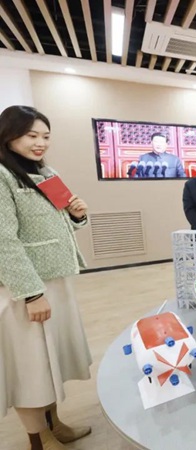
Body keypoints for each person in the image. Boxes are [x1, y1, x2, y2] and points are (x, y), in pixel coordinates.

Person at [0, 105, 92, 450]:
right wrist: (31, 293)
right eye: (31, 135)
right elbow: (3, 241)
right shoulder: (2, 176)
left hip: (56, 280)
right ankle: (38, 440)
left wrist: (77, 216)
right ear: (9, 135)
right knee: (31, 368)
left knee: (51, 361)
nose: (40, 143)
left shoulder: (46, 172)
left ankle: (55, 424)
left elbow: (60, 223)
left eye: (45, 136)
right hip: (25, 289)